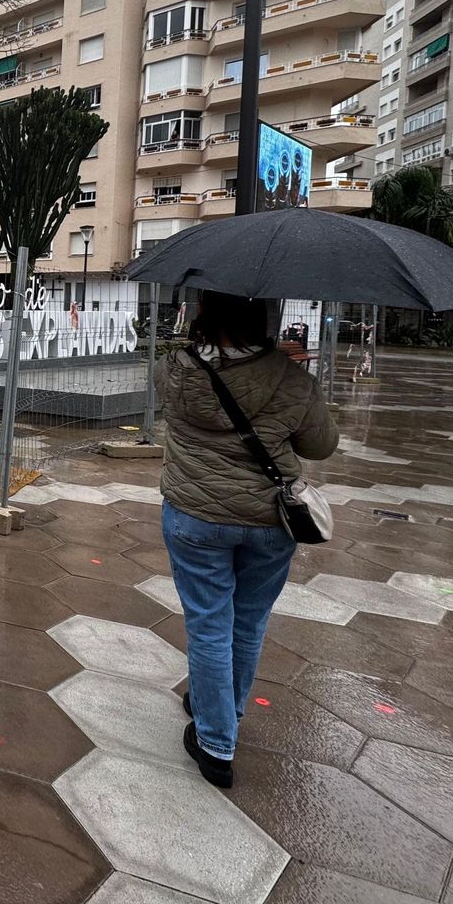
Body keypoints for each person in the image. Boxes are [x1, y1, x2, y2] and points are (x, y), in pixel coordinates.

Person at [157, 290, 339, 788]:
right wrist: (296, 382)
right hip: (268, 522)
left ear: (203, 313)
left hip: (192, 516)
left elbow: (176, 415)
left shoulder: (174, 369)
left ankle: (215, 739)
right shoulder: (291, 378)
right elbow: (320, 446)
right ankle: (223, 720)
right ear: (263, 318)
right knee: (248, 621)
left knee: (209, 622)